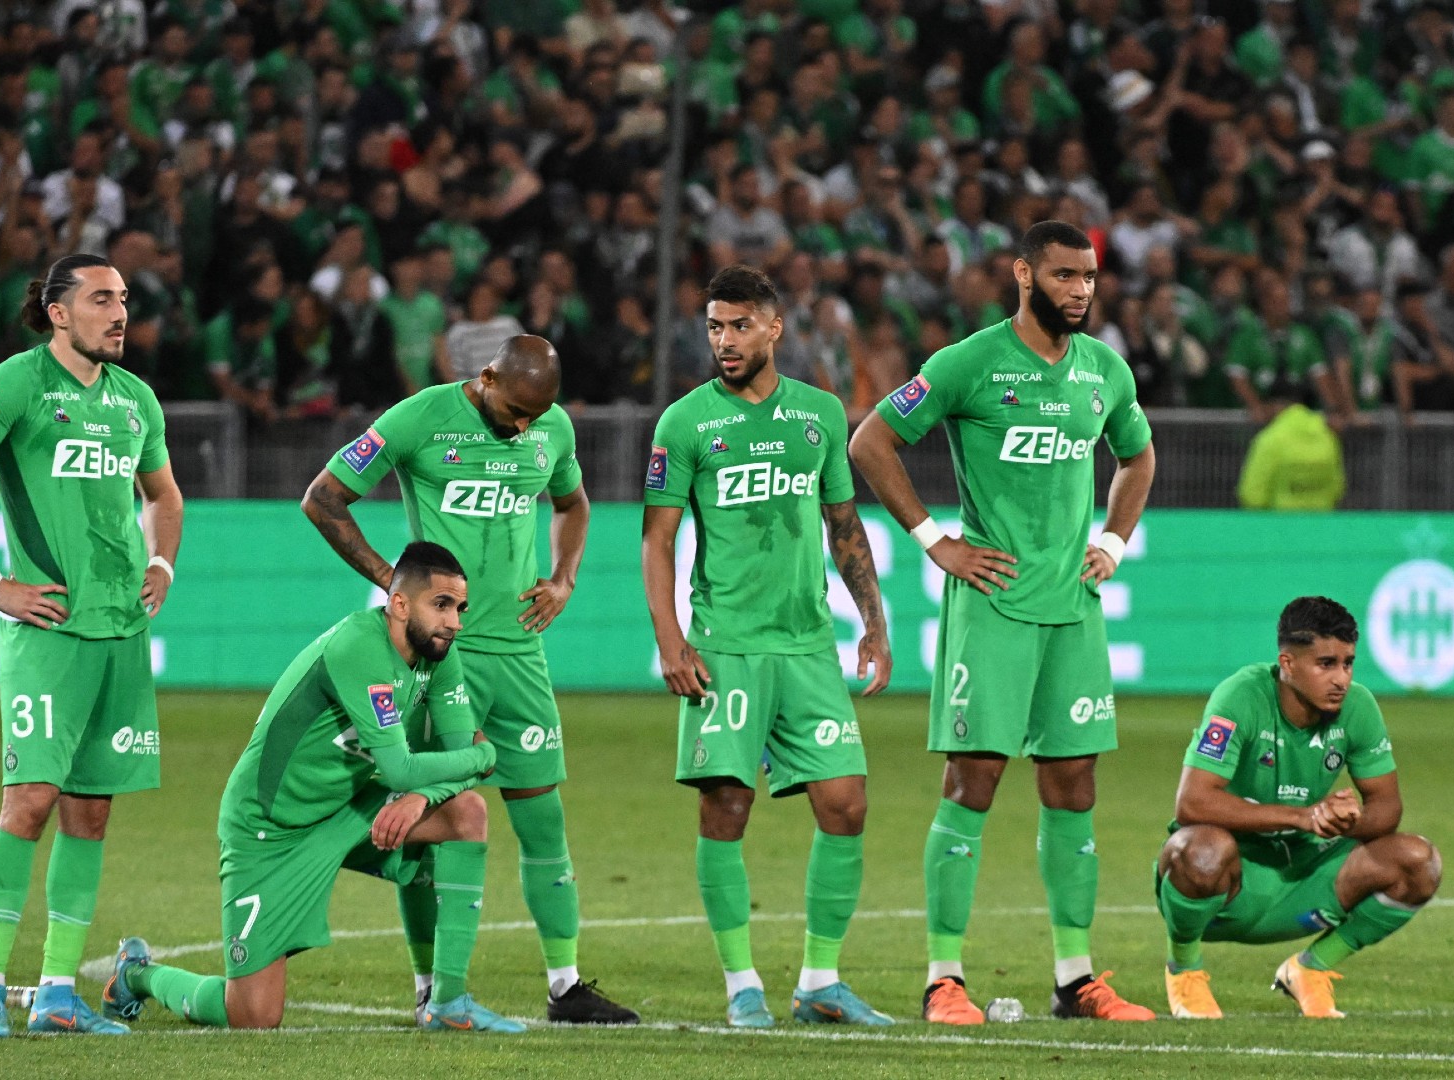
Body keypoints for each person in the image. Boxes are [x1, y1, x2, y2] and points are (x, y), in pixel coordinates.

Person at [849, 220, 1158, 1024]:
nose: (1080, 291)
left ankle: (1075, 979)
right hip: (992, 605)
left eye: (1088, 277)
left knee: (1074, 785)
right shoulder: (971, 363)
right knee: (974, 779)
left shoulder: (1104, 369)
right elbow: (872, 441)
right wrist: (935, 540)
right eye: (1063, 276)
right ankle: (943, 980)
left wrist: (1114, 542)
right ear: (1024, 276)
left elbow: (1138, 456)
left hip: (1073, 609)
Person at [301, 336, 637, 1024]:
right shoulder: (419, 417)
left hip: (519, 653)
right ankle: (430, 986)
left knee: (543, 819)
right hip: (439, 656)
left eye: (534, 415)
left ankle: (566, 986)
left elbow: (573, 503)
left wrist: (564, 578)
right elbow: (324, 498)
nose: (523, 426)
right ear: (486, 377)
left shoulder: (552, 427)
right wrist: (393, 582)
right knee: (434, 822)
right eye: (514, 411)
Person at [100, 543, 515, 1032]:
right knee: (253, 1015)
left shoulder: (439, 656)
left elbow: (451, 757)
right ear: (400, 604)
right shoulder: (359, 647)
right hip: (269, 827)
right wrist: (482, 758)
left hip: (346, 809)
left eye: (460, 608)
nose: (454, 622)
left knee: (466, 814)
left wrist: (425, 796)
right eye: (441, 605)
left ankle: (445, 1000)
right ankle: (137, 975)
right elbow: (410, 768)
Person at [641, 264, 894, 1029]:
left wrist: (873, 621)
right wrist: (671, 641)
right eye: (715, 327)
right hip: (727, 647)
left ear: (775, 328)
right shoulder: (685, 423)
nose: (724, 341)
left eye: (739, 325)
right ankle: (742, 984)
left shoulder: (819, 414)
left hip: (808, 645)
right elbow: (658, 541)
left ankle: (819, 981)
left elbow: (843, 525)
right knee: (727, 807)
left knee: (846, 804)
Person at [0, 255, 184, 1036]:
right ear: (58, 312)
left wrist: (162, 562)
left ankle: (57, 995)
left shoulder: (135, 399)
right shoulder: (18, 384)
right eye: (101, 299)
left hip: (121, 633)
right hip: (49, 633)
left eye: (124, 299)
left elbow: (163, 494)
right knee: (29, 801)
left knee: (90, 813)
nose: (120, 312)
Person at [1155, 596, 1441, 1020]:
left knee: (1418, 861)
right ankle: (1184, 971)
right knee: (1201, 850)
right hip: (1230, 881)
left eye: (1348, 663)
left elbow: (1387, 808)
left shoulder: (1358, 708)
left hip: (1304, 872)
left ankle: (1311, 969)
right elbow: (1192, 802)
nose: (1341, 678)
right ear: (1287, 663)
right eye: (1326, 664)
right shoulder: (1242, 697)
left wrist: (1346, 821)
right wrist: (1303, 816)